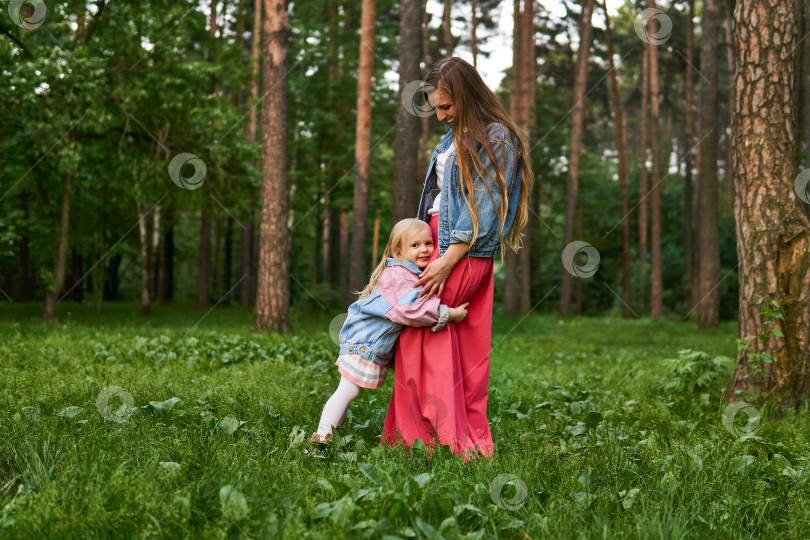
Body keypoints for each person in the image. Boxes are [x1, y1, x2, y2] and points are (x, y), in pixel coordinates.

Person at [381, 57, 534, 461]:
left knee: (423, 332)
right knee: (455, 342)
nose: (440, 115)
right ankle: (453, 439)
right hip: (436, 244)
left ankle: (429, 441)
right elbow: (434, 200)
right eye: (436, 108)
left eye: (446, 106)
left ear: (466, 96)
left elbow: (484, 203)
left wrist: (449, 257)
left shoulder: (495, 136)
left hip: (458, 249)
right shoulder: (450, 139)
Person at [309, 218, 469, 449]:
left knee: (348, 391)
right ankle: (321, 439)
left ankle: (327, 437)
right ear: (399, 250)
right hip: (364, 343)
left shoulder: (405, 273)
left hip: (365, 343)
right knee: (347, 390)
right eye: (415, 245)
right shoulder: (400, 276)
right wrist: (449, 313)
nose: (424, 249)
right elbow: (411, 311)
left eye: (428, 243)